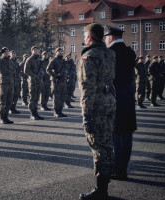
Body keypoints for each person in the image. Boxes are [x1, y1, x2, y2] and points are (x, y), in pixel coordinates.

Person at [78, 23, 116, 200]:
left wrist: (86, 114)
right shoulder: (110, 52)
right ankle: (104, 185)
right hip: (109, 101)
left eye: (85, 35)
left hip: (97, 105)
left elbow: (87, 88)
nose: (84, 39)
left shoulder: (90, 56)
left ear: (90, 37)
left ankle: (100, 190)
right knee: (107, 143)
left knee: (98, 146)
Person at [104, 25, 137, 180]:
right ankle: (124, 168)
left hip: (115, 97)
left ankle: (118, 169)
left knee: (116, 135)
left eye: (106, 38)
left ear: (110, 38)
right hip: (128, 98)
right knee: (127, 134)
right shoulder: (130, 52)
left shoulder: (110, 53)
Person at [0, 47, 15, 124]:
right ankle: (2, 117)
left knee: (9, 101)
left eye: (7, 52)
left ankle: (6, 116)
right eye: (5, 52)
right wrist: (0, 51)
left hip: (10, 83)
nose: (6, 53)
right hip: (3, 83)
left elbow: (13, 71)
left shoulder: (11, 62)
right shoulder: (0, 60)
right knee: (2, 101)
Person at [46, 47, 67, 117]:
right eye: (59, 51)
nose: (60, 52)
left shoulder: (63, 61)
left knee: (62, 97)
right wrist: (56, 76)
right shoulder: (54, 60)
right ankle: (56, 112)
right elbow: (48, 69)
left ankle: (60, 111)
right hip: (56, 81)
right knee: (56, 97)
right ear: (56, 52)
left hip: (63, 81)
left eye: (61, 51)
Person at [25, 46, 44, 120]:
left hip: (38, 82)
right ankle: (32, 114)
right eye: (34, 50)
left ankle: (36, 113)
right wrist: (35, 76)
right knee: (32, 99)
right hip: (32, 82)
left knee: (36, 99)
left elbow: (42, 70)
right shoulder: (29, 59)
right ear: (31, 51)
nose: (36, 51)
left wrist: (41, 74)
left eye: (37, 50)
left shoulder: (39, 60)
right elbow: (26, 70)